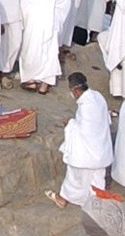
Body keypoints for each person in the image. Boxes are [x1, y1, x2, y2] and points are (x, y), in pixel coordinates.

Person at [53, 72, 112, 208]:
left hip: (88, 152)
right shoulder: (98, 96)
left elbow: (85, 131)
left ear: (76, 90)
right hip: (101, 150)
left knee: (74, 177)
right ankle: (96, 201)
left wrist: (70, 123)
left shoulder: (86, 106)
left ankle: (63, 199)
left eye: (71, 89)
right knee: (97, 178)